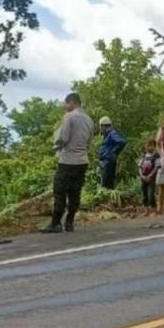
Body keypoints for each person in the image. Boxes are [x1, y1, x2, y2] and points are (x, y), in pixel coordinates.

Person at [41, 93, 94, 233]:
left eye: (66, 104)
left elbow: (64, 137)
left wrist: (56, 143)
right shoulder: (89, 120)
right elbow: (89, 143)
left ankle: (56, 223)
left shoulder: (69, 117)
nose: (65, 107)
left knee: (60, 192)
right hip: (82, 161)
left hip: (67, 161)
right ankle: (69, 222)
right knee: (75, 192)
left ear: (72, 102)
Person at [98, 116, 126, 189]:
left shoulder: (112, 133)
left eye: (101, 126)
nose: (100, 128)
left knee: (106, 183)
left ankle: (106, 199)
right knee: (106, 183)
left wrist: (114, 152)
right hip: (106, 161)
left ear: (104, 125)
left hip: (108, 161)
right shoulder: (107, 135)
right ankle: (107, 199)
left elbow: (122, 142)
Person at [139, 139, 160, 216]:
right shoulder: (143, 155)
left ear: (154, 146)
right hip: (143, 178)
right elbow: (140, 167)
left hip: (151, 179)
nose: (149, 147)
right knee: (144, 195)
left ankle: (154, 210)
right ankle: (146, 210)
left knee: (151, 195)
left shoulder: (156, 155)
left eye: (151, 146)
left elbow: (157, 167)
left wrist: (150, 176)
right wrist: (141, 175)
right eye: (148, 145)